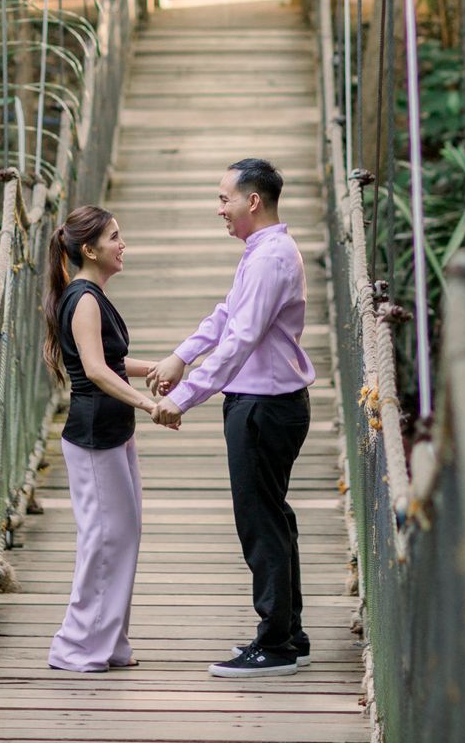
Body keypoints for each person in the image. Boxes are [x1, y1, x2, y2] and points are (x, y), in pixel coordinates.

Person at [147, 158, 316, 678]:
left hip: (263, 407)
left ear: (252, 201)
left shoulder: (270, 258)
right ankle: (289, 632)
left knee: (260, 521)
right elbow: (227, 314)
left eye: (225, 199)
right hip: (268, 404)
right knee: (272, 515)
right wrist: (181, 355)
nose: (219, 209)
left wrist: (184, 397)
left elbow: (240, 339)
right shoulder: (263, 251)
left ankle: (276, 645)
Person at [44, 205, 181, 674]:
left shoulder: (93, 295)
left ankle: (108, 641)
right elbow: (96, 372)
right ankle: (75, 647)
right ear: (89, 250)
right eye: (114, 238)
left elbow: (112, 362)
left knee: (123, 535)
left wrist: (161, 367)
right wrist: (148, 404)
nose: (123, 245)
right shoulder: (83, 299)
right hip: (93, 438)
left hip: (113, 433)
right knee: (104, 539)